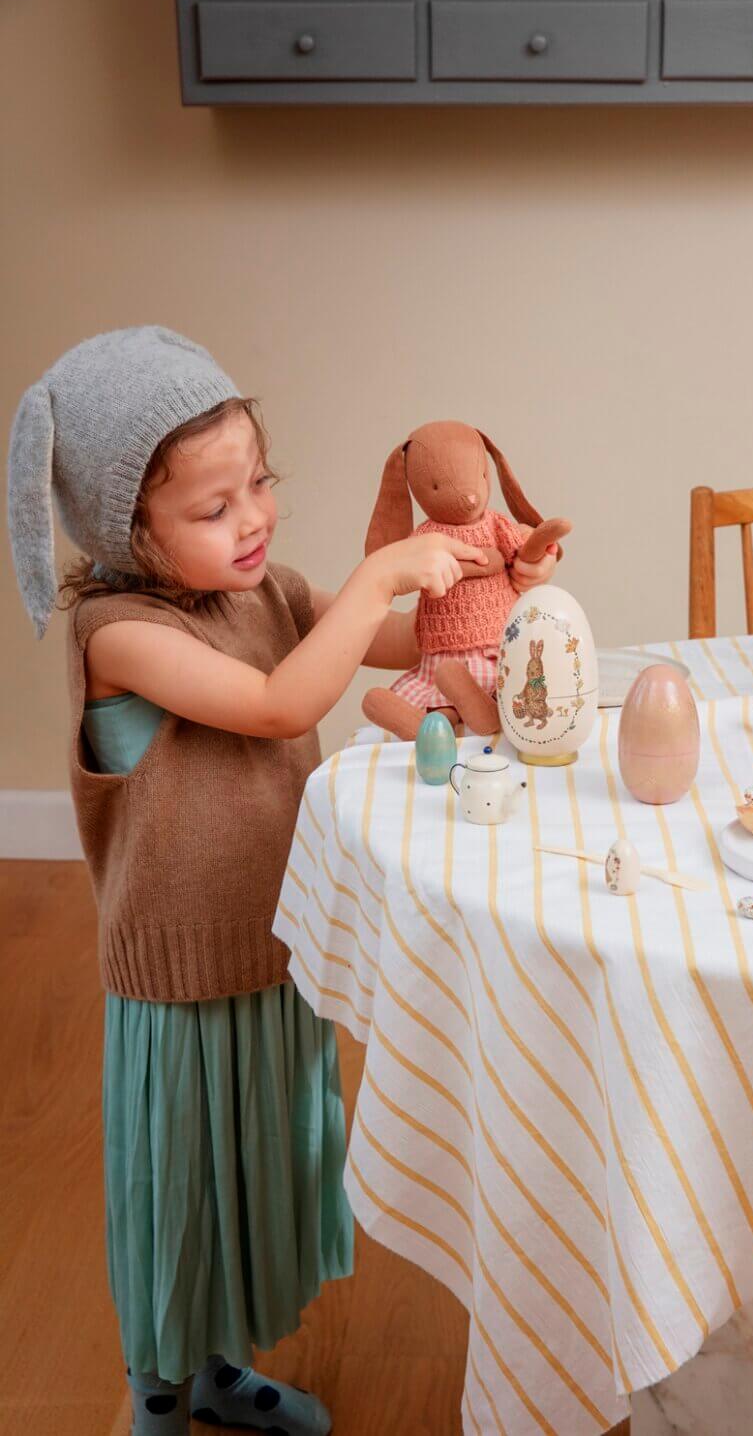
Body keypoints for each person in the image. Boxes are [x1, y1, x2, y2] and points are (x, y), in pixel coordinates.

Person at [6, 326, 556, 1435]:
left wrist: (497, 584)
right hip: (179, 977)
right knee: (183, 1186)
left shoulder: (278, 594)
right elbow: (276, 705)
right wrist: (378, 572)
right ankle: (157, 1385)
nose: (252, 516)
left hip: (277, 940)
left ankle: (215, 1363)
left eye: (257, 483)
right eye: (212, 509)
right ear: (128, 530)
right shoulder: (119, 634)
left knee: (260, 1170)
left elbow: (391, 641)